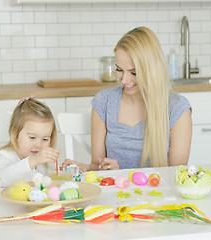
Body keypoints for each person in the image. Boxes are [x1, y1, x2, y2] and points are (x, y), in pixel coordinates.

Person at [63, 26, 192, 172]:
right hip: (115, 193)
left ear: (152, 70)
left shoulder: (177, 109)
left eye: (134, 72)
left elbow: (175, 175)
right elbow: (96, 166)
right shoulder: (104, 102)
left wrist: (124, 175)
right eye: (119, 70)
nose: (124, 80)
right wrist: (86, 168)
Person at [0, 97, 60, 187]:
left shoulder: (40, 163)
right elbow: (0, 180)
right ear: (15, 133)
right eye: (32, 137)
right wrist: (32, 161)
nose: (38, 145)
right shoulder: (5, 156)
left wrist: (61, 171)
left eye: (45, 139)